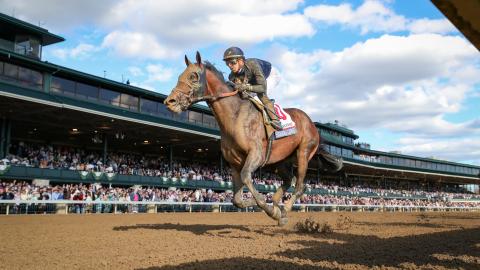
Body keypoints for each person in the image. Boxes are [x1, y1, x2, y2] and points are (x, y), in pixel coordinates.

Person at [223, 47, 282, 130]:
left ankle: (275, 120)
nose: (230, 66)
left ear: (240, 61)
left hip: (271, 75)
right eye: (227, 63)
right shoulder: (232, 76)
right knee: (245, 98)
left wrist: (245, 87)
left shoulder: (253, 64)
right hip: (254, 81)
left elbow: (262, 88)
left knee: (258, 97)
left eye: (232, 62)